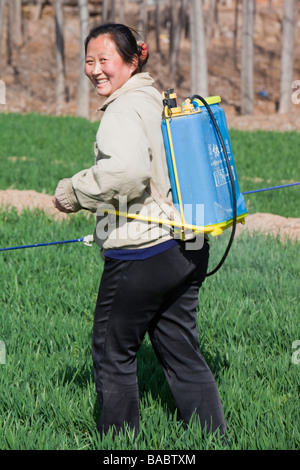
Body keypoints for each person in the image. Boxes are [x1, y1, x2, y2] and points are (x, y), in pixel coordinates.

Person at [52, 23, 226, 441]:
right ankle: (212, 439)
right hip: (188, 243)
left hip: (143, 251)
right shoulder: (154, 98)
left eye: (104, 59)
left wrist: (72, 192)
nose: (94, 69)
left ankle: (120, 448)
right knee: (181, 350)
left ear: (133, 60)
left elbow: (126, 173)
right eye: (89, 60)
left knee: (113, 353)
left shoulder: (123, 109)